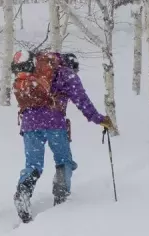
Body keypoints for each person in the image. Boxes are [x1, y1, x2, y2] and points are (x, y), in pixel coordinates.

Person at [11, 51, 114, 223]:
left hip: (29, 123)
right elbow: (82, 101)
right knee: (63, 161)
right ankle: (61, 196)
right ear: (72, 66)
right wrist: (100, 119)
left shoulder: (37, 68)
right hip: (54, 122)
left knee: (33, 165)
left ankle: (23, 192)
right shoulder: (67, 74)